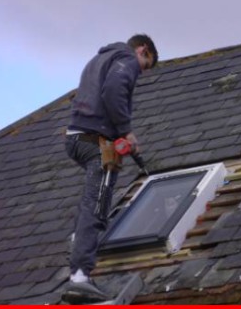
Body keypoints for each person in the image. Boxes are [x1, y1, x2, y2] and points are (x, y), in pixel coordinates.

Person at [64, 34, 158, 298]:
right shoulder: (126, 59)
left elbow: (99, 98)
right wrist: (127, 131)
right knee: (97, 201)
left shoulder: (100, 59)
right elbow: (114, 89)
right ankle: (80, 275)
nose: (141, 71)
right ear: (143, 50)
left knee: (95, 197)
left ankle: (78, 239)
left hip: (77, 138)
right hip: (95, 140)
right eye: (145, 65)